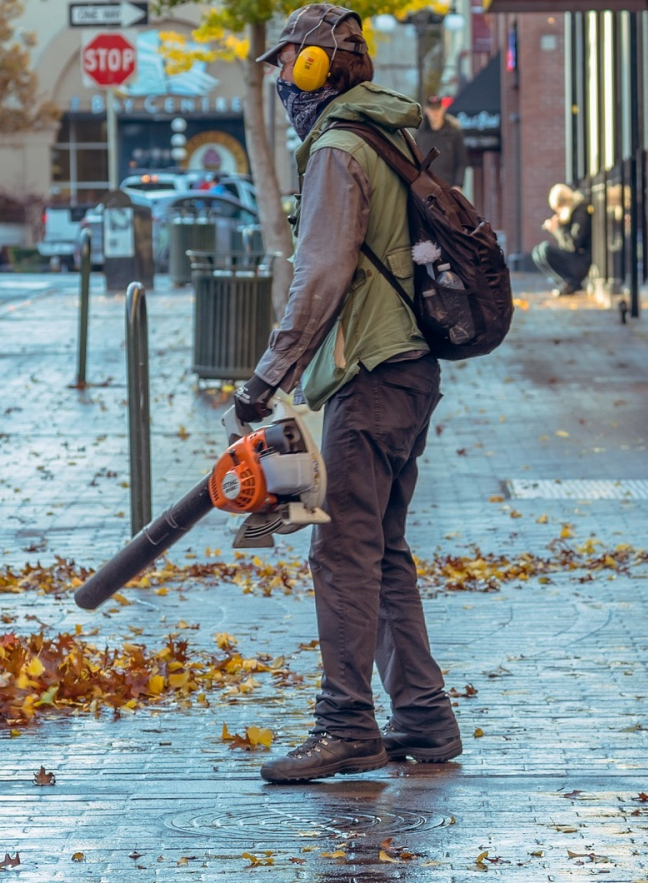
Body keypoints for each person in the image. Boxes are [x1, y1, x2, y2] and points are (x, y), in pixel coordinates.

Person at [235, 3, 462, 783]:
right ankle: (425, 718)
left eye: (286, 66)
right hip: (409, 369)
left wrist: (268, 374)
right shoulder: (384, 131)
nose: (280, 86)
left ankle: (346, 725)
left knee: (340, 551)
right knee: (381, 546)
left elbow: (321, 274)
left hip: (373, 374)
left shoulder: (338, 147)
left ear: (312, 67)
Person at [532, 183, 593, 295]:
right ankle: (566, 283)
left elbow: (573, 244)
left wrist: (557, 229)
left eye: (558, 208)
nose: (558, 212)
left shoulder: (580, 213)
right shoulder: (572, 214)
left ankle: (572, 282)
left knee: (545, 249)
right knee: (537, 252)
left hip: (583, 261)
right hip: (577, 259)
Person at [413, 95, 469, 189]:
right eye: (432, 109)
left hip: (448, 186)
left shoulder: (454, 132)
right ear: (426, 110)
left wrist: (458, 184)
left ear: (443, 109)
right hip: (425, 186)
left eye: (437, 109)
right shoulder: (420, 133)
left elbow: (461, 161)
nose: (435, 112)